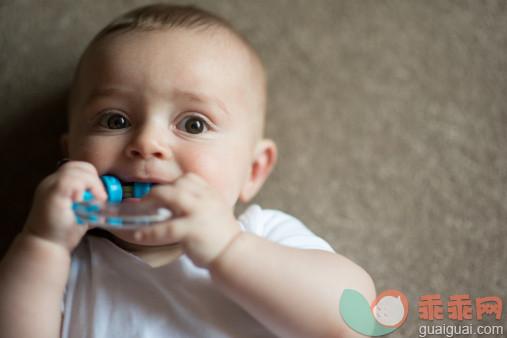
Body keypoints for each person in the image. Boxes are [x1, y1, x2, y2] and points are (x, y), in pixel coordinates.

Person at [0, 4, 375, 337]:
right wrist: (41, 243)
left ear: (254, 170)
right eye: (115, 120)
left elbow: (355, 319)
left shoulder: (264, 236)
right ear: (70, 159)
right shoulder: (65, 267)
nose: (147, 143)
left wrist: (229, 249)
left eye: (193, 124)